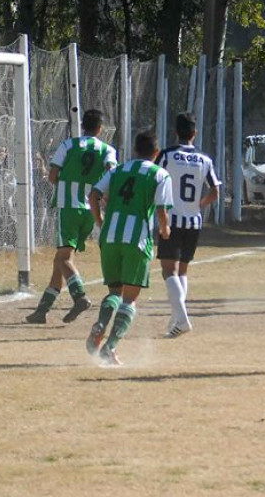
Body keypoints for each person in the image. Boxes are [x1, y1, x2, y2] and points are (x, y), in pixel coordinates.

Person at [85, 130, 173, 366]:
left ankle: (101, 325)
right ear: (156, 153)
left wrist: (100, 222)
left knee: (115, 291)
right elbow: (162, 210)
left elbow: (93, 195)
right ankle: (109, 347)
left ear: (135, 150)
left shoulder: (117, 170)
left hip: (110, 236)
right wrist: (165, 230)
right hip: (137, 239)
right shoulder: (160, 174)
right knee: (130, 299)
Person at [25, 110, 117, 325]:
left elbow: (53, 175)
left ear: (82, 125)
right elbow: (112, 174)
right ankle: (42, 311)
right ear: (100, 129)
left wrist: (65, 186)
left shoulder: (68, 145)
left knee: (64, 258)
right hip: (90, 208)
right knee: (60, 259)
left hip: (68, 206)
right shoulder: (108, 150)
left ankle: (80, 296)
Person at [155, 111, 222, 338]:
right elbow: (216, 190)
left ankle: (182, 319)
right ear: (195, 132)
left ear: (176, 132)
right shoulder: (205, 159)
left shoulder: (166, 155)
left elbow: (154, 177)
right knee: (182, 270)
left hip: (171, 220)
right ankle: (176, 318)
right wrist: (199, 204)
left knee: (168, 271)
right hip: (193, 221)